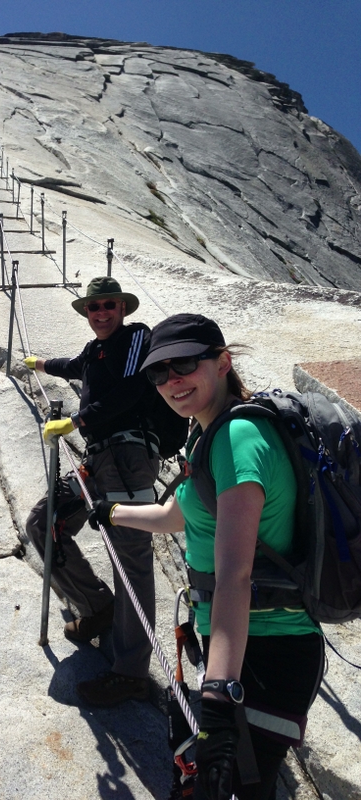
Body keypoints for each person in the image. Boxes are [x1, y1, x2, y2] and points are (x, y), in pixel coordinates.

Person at [89, 313, 324, 800]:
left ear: (222, 363)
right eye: (158, 372)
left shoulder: (238, 440)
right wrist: (111, 512)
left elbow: (235, 575)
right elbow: (175, 516)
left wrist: (220, 692)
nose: (171, 381)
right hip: (237, 645)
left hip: (265, 653)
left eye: (184, 365)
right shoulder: (211, 432)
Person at [25, 277, 167, 707]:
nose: (101, 313)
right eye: (94, 308)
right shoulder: (95, 350)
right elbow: (73, 365)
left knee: (130, 560)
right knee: (43, 521)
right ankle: (97, 606)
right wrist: (39, 364)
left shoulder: (136, 338)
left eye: (109, 305)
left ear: (122, 308)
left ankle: (130, 673)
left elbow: (129, 390)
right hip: (98, 460)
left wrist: (77, 422)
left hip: (128, 456)